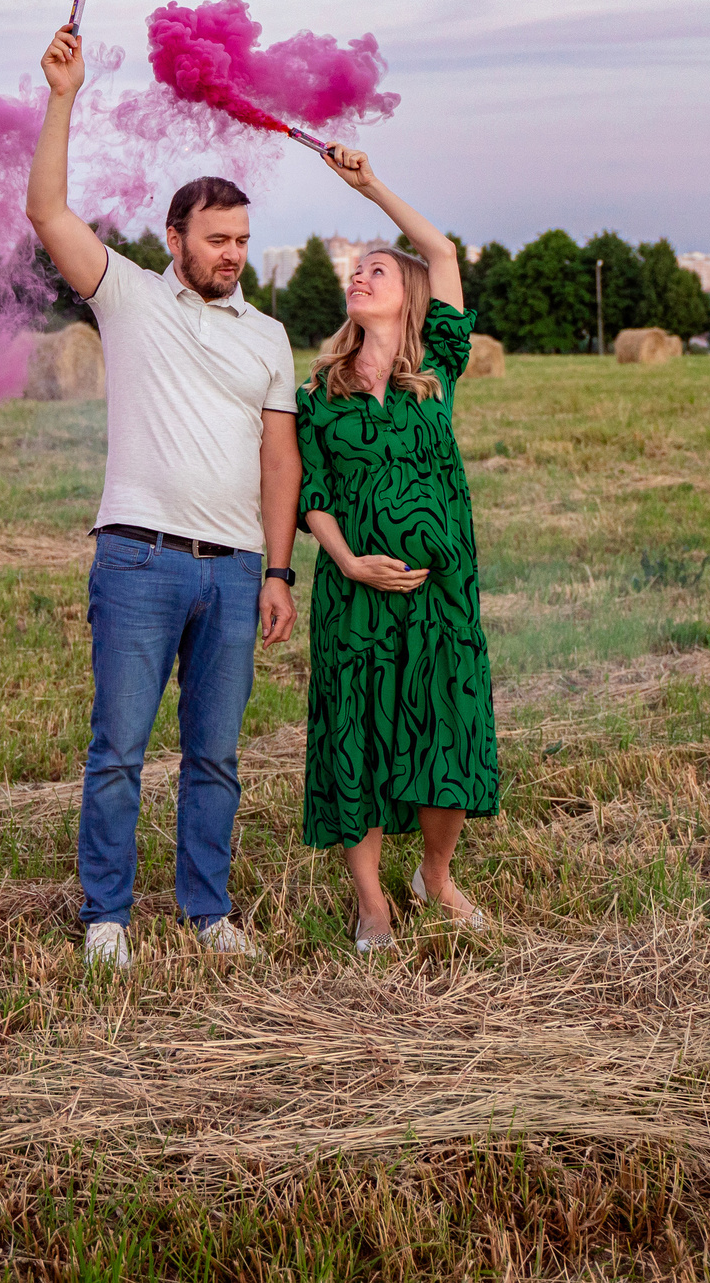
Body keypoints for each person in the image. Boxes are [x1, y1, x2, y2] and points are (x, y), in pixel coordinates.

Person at [25, 23, 300, 970]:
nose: (234, 253)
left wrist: (277, 568)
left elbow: (279, 462)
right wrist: (64, 95)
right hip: (137, 556)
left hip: (231, 572)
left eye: (245, 240)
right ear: (175, 236)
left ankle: (206, 910)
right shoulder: (129, 296)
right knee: (119, 750)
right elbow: (49, 211)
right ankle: (107, 915)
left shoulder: (268, 336)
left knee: (217, 756)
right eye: (218, 238)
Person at [296, 147, 498, 951]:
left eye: (378, 268)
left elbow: (443, 251)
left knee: (448, 728)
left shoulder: (438, 372)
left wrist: (369, 187)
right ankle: (371, 899)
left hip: (441, 591)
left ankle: (436, 876)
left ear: (408, 295)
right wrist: (346, 561)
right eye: (357, 268)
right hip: (353, 594)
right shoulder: (319, 391)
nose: (360, 274)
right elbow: (312, 494)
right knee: (359, 737)